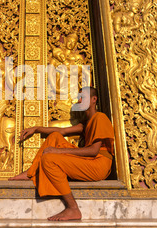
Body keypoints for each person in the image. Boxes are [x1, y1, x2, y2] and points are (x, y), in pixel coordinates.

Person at [9, 86, 114, 221]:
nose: (80, 100)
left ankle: (73, 208)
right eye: (79, 97)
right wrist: (36, 129)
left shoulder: (100, 118)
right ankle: (31, 172)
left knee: (49, 159)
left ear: (94, 100)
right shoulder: (86, 123)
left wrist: (57, 151)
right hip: (91, 162)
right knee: (54, 137)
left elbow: (93, 151)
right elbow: (62, 131)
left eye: (83, 97)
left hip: (99, 165)